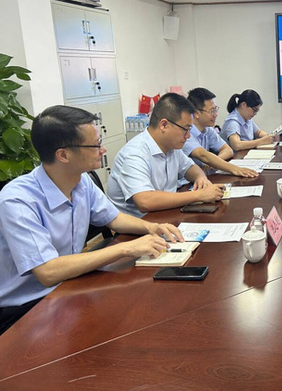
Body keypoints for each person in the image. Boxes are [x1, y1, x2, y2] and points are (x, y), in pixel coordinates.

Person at [0, 106, 182, 335]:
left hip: (68, 285)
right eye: (95, 145)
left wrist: (152, 227)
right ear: (63, 155)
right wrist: (126, 248)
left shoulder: (81, 181)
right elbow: (48, 272)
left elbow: (114, 218)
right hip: (25, 309)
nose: (103, 149)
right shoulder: (18, 200)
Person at [107, 93, 225, 218]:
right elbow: (145, 201)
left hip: (166, 215)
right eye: (185, 129)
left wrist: (201, 178)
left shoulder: (172, 146)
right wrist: (199, 195)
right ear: (164, 125)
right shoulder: (134, 154)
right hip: (139, 224)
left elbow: (190, 168)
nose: (188, 136)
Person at [184, 88, 258, 178]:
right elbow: (203, 155)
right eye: (211, 111)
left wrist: (214, 161)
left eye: (215, 109)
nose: (216, 114)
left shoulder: (208, 129)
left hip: (203, 177)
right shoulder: (185, 133)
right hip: (188, 182)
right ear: (196, 113)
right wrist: (236, 169)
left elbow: (228, 150)